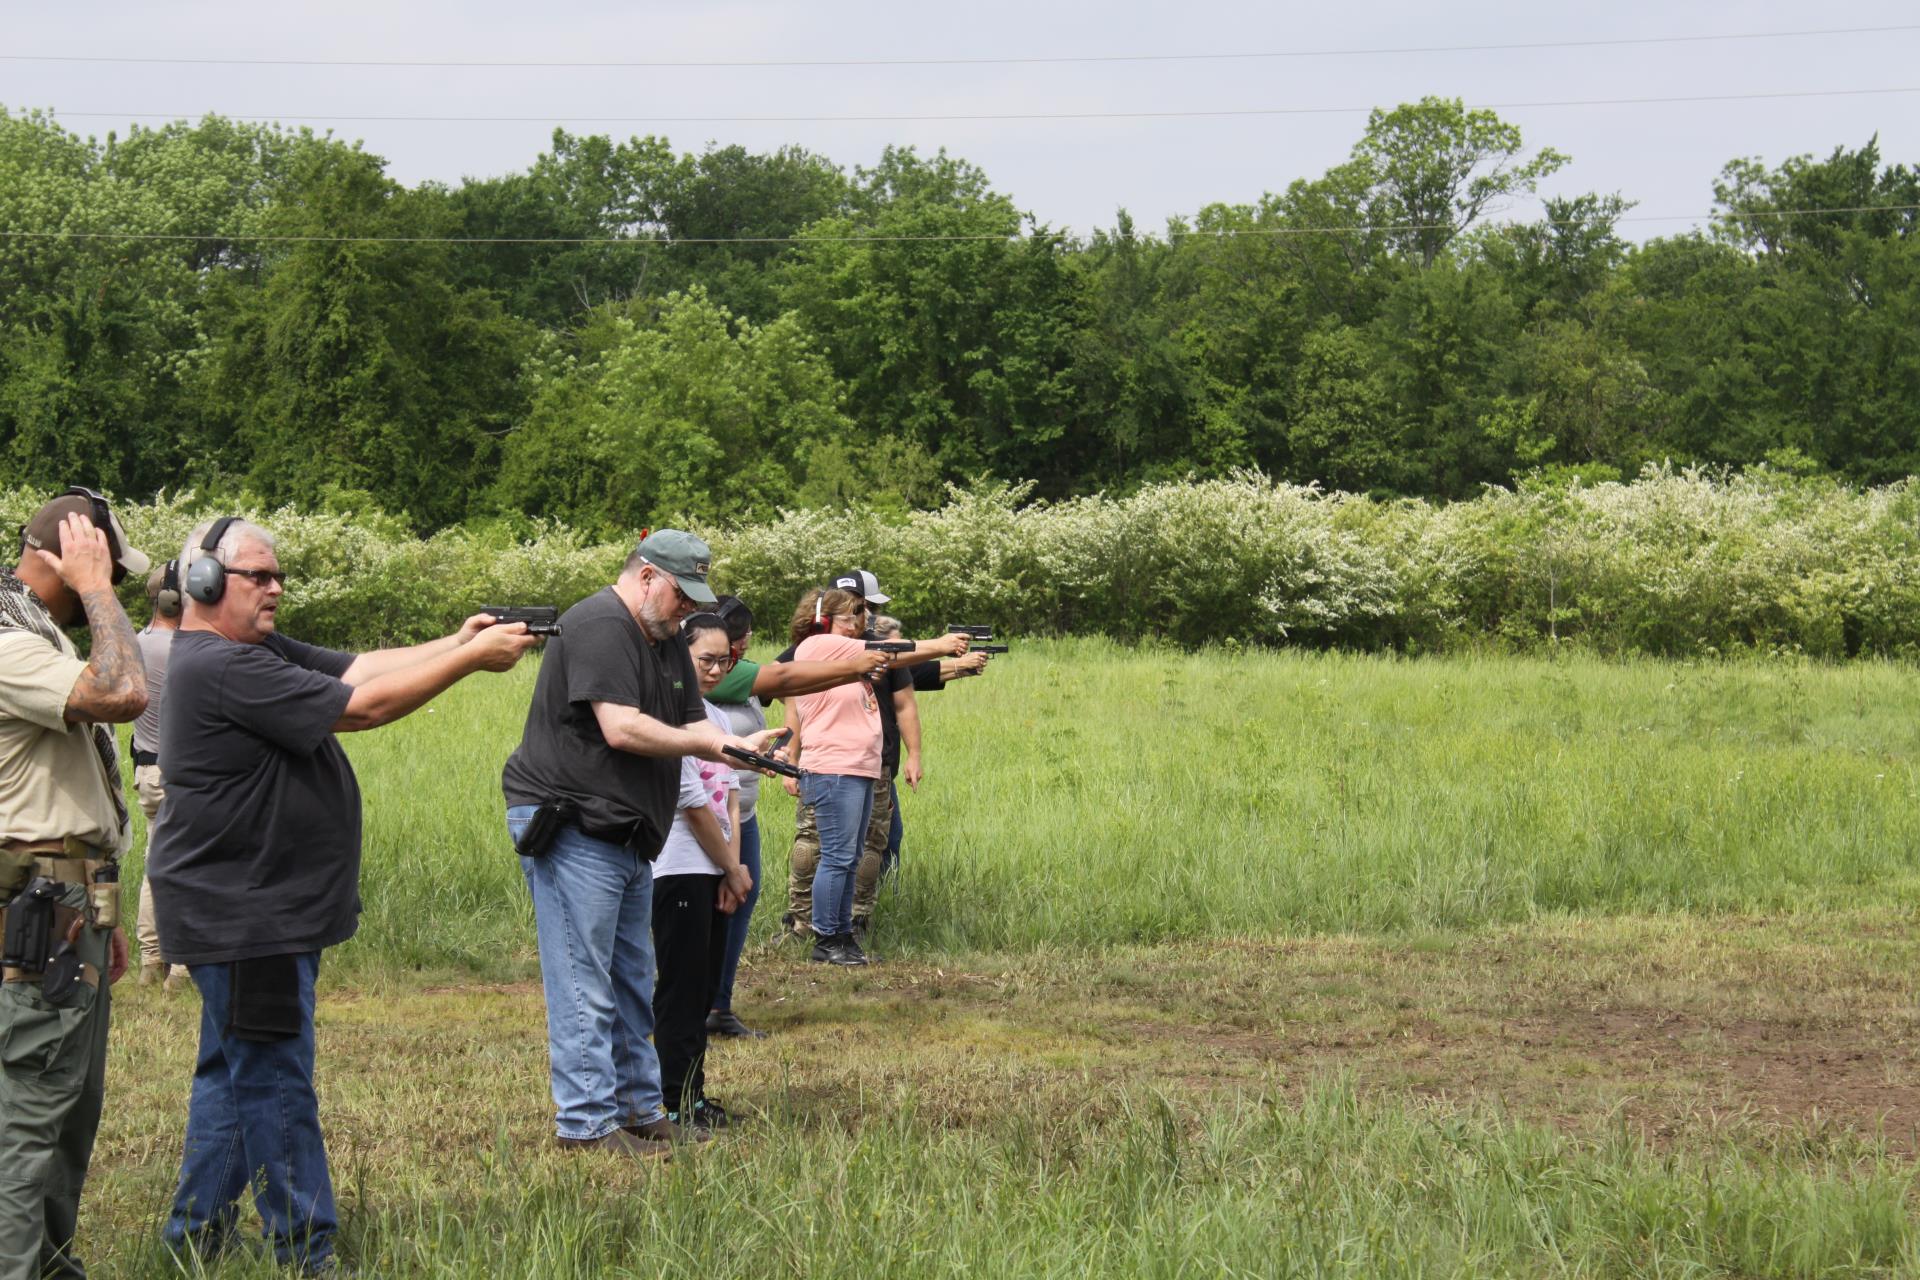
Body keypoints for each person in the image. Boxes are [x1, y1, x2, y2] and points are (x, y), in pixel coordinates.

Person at [148, 516, 540, 1273]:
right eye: (258, 576)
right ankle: (306, 1251)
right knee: (276, 1085)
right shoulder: (222, 666)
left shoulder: (247, 648)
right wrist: (469, 664)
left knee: (235, 1077)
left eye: (276, 574)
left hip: (253, 907)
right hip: (249, 913)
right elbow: (364, 708)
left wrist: (459, 641)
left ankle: (194, 1238)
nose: (276, 588)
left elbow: (359, 665)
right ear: (201, 581)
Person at [502, 531, 782, 1160]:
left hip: (628, 830)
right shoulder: (600, 622)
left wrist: (739, 749)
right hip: (574, 823)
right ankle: (587, 1123)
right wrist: (716, 747)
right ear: (649, 576)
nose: (688, 609)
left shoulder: (664, 640)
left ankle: (640, 1109)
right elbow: (621, 727)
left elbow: (692, 724)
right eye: (683, 594)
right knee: (583, 979)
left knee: (631, 976)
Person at [0, 490, 147, 1280]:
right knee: (27, 1121)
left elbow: (66, 798)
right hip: (36, 913)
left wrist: (105, 911)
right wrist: (94, 586)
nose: (114, 584)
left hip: (68, 906)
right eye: (110, 567)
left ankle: (53, 1268)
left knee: (67, 1117)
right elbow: (124, 691)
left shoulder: (37, 633)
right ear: (66, 555)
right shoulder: (5, 638)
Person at [702, 594, 888, 1037]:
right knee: (836, 855)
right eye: (738, 639)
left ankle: (719, 1005)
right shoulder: (728, 675)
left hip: (737, 805)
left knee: (747, 902)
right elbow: (783, 681)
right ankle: (827, 937)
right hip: (712, 807)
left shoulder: (734, 677)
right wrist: (940, 646)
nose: (744, 646)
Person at [780, 573, 969, 946]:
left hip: (864, 766)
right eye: (851, 616)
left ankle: (845, 929)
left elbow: (903, 692)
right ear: (824, 621)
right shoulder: (820, 646)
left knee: (855, 855)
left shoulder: (854, 649)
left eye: (860, 615)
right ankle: (820, 934)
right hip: (834, 768)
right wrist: (943, 644)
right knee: (828, 853)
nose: (859, 622)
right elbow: (894, 653)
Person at [649, 613, 750, 1131]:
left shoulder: (717, 718)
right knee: (682, 989)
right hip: (680, 865)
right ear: (677, 657)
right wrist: (730, 868)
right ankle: (672, 1100)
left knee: (705, 986)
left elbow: (729, 794)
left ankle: (695, 1095)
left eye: (724, 659)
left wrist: (732, 866)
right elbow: (690, 803)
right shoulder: (667, 716)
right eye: (704, 659)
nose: (715, 669)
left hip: (718, 865)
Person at [131, 559, 188, 990]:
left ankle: (152, 962)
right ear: (173, 599)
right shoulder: (184, 649)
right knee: (190, 868)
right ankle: (184, 969)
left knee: (155, 866)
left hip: (146, 773)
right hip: (179, 772)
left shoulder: (132, 644)